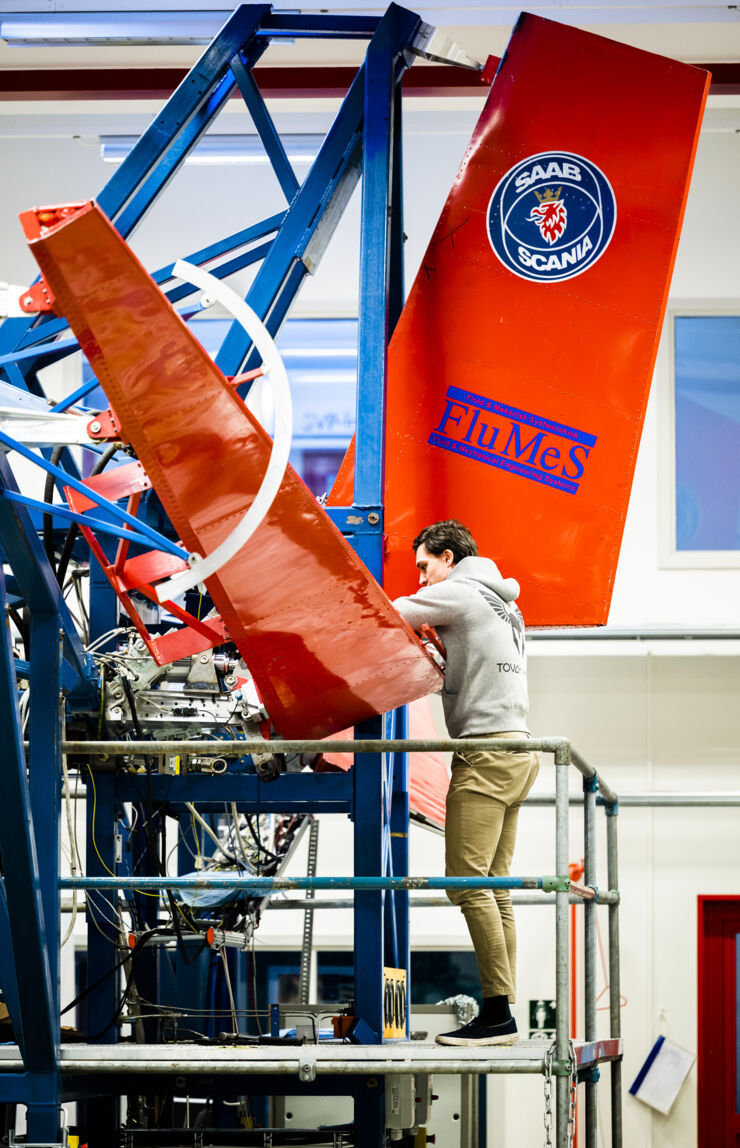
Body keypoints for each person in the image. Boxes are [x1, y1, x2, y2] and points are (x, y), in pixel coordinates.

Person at [392, 520, 538, 1047]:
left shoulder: (458, 593)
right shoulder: (505, 603)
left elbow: (384, 615)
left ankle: (497, 1016)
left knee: (466, 881)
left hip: (486, 754)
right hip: (519, 750)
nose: (423, 579)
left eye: (425, 566)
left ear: (448, 557)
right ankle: (505, 1009)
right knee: (495, 884)